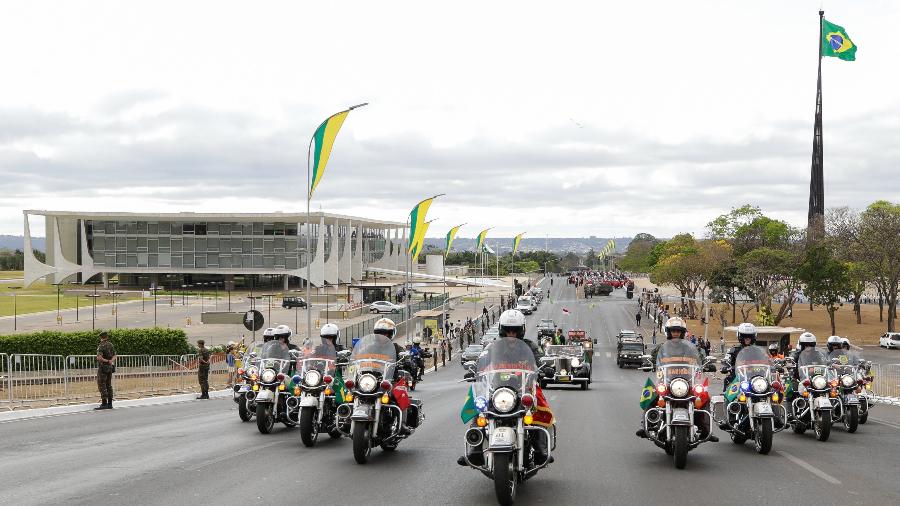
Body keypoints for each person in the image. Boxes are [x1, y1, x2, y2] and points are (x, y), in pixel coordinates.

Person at [459, 309, 552, 467]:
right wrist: (473, 369)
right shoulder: (492, 347)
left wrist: (547, 367)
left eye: (515, 330)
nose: (511, 334)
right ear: (502, 330)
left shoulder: (530, 347)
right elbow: (481, 359)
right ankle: (474, 451)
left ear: (520, 331)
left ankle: (540, 450)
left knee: (536, 409)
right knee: (481, 408)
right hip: (497, 389)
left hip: (524, 388)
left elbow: (540, 358)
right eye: (508, 330)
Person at [372, 317, 414, 434]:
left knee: (401, 392)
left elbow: (405, 357)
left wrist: (407, 360)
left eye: (386, 334)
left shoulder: (396, 348)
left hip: (390, 380)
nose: (383, 336)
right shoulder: (370, 347)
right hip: (372, 379)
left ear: (391, 335)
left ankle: (403, 423)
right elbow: (359, 357)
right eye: (380, 334)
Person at [721, 323, 758, 392]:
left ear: (754, 336)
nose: (747, 338)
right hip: (737, 378)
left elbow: (767, 361)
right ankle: (727, 402)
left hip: (755, 377)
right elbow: (727, 359)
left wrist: (774, 366)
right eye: (744, 336)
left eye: (750, 336)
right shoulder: (733, 350)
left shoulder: (758, 351)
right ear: (740, 336)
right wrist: (726, 366)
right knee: (728, 383)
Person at [95, 331, 117, 410]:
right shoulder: (111, 345)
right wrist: (110, 361)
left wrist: (107, 361)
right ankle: (110, 403)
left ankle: (104, 403)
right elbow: (115, 356)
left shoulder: (101, 346)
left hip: (103, 368)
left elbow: (99, 358)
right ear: (107, 337)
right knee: (109, 385)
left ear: (101, 337)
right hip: (110, 368)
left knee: (102, 384)